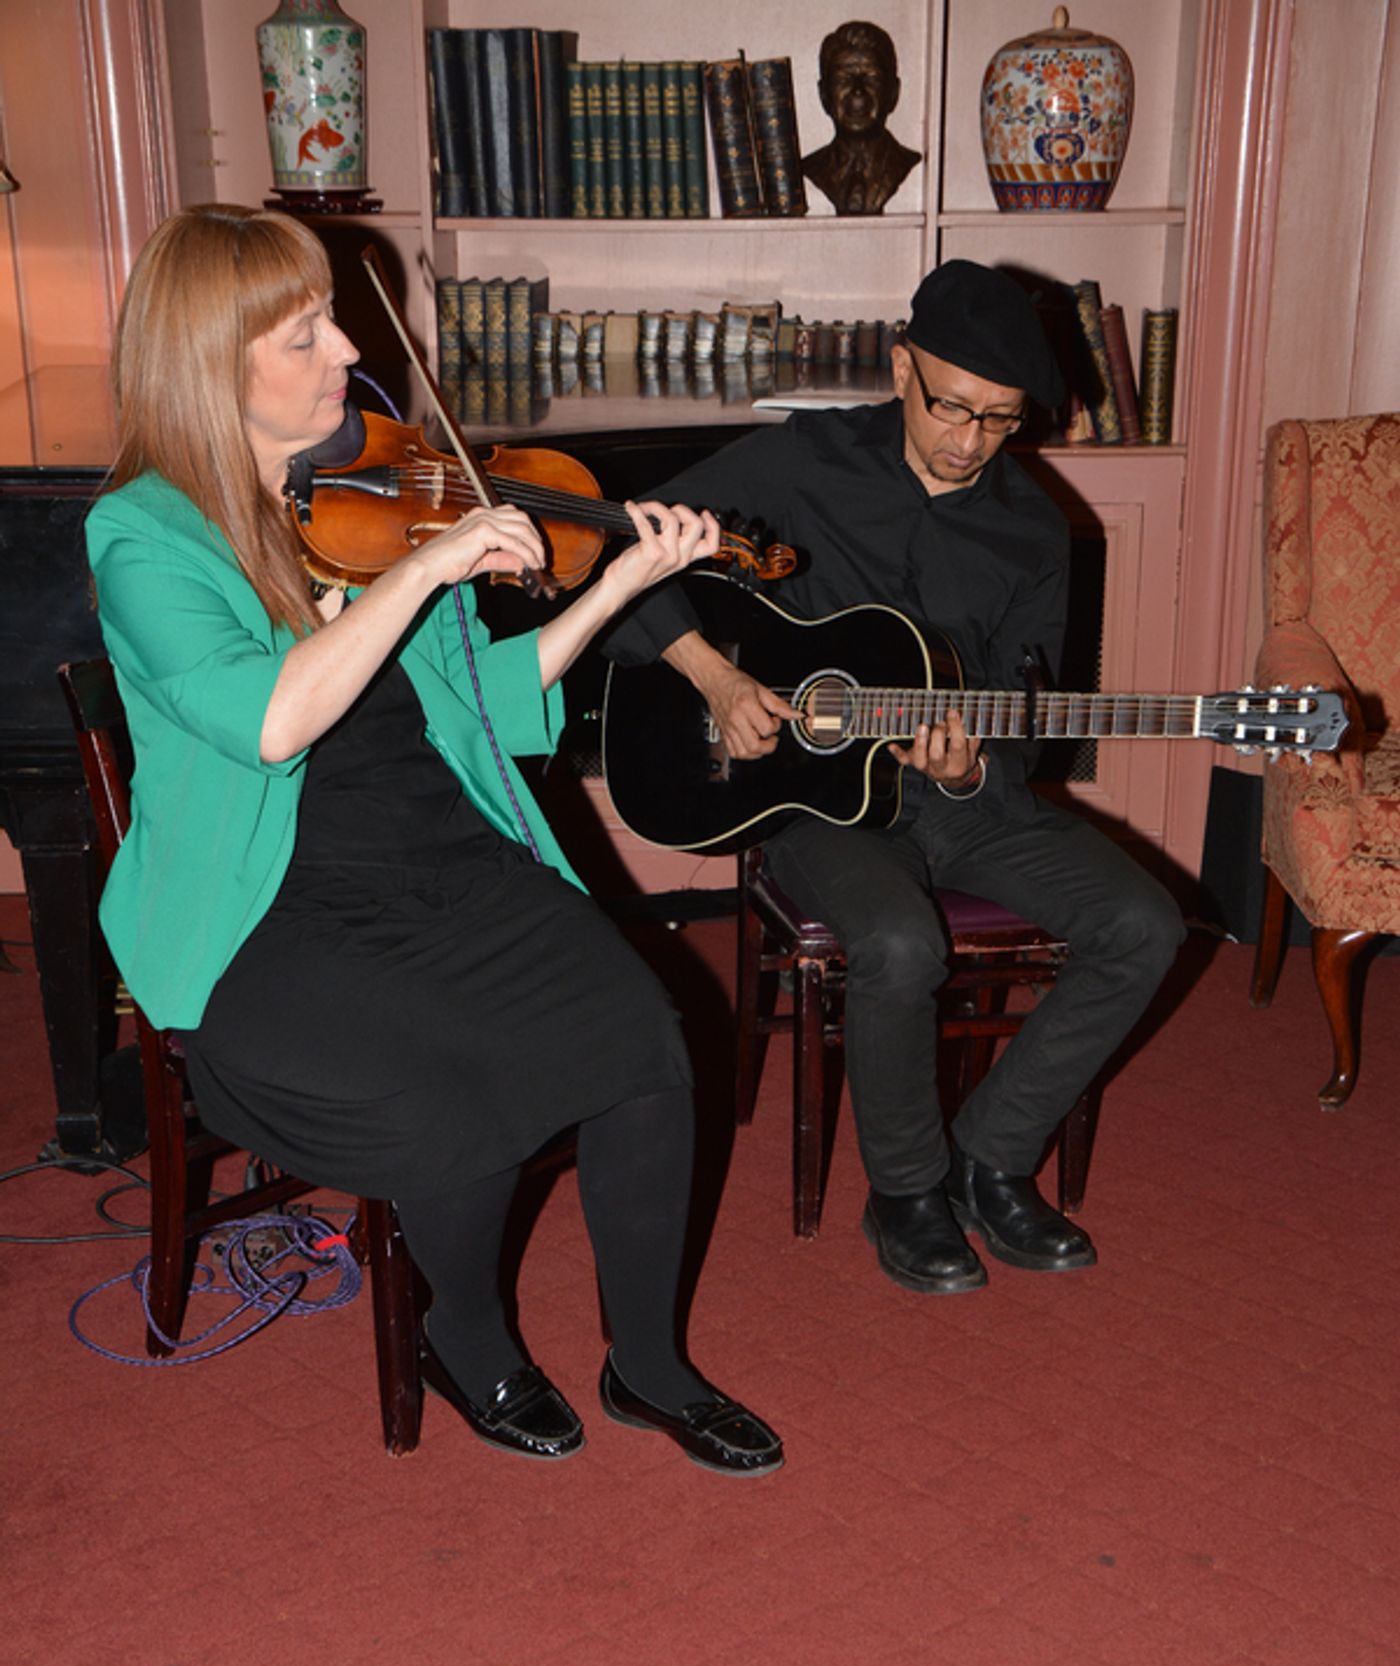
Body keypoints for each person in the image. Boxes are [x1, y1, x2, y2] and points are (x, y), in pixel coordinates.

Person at [85, 203, 783, 1474]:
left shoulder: (360, 497)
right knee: (444, 1103)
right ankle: (465, 1339)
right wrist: (425, 570)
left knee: (643, 1043)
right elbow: (271, 721)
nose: (349, 348)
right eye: (304, 334)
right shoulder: (142, 537)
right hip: (269, 914)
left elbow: (487, 707)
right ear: (210, 364)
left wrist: (615, 587)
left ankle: (649, 1365)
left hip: (441, 858)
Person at [603, 259, 1185, 1295]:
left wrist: (973, 764)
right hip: (809, 794)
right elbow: (632, 542)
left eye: (998, 421)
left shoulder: (1034, 529)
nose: (967, 441)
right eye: (948, 405)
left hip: (963, 802)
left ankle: (992, 1158)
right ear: (899, 364)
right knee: (898, 940)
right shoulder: (798, 463)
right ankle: (905, 1190)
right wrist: (712, 671)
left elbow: (1022, 711)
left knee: (1145, 924)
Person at [800, 20, 922, 217]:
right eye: (843, 79)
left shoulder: (906, 163)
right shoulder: (813, 168)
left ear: (893, 94)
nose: (858, 91)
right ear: (824, 95)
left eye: (871, 78)